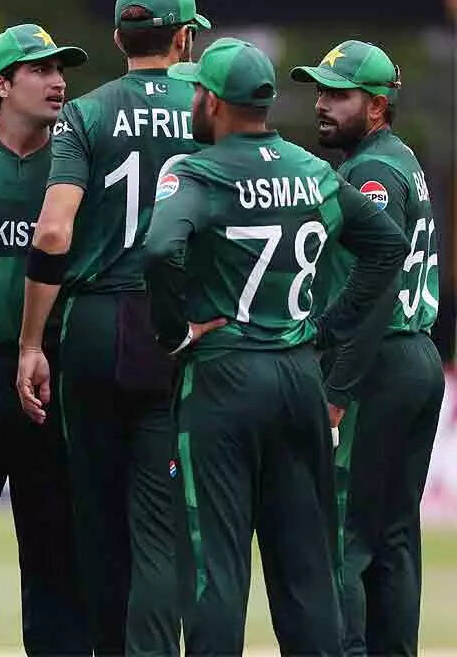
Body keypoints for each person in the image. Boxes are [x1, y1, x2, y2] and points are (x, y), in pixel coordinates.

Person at [143, 37, 408, 655]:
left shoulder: (198, 170)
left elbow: (159, 248)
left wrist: (174, 332)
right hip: (299, 378)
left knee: (215, 569)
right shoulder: (312, 171)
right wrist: (327, 328)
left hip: (223, 376)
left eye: (196, 92)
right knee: (308, 571)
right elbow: (386, 247)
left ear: (212, 101)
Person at [15, 0, 208, 655]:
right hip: (174, 324)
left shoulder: (85, 113)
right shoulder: (208, 106)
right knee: (158, 526)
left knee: (96, 520)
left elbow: (52, 232)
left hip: (94, 322)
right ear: (183, 39)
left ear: (120, 39)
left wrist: (31, 343)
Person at [292, 40, 443, 656]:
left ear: (377, 106)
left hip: (375, 362)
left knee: (345, 534)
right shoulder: (401, 158)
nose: (322, 104)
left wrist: (336, 389)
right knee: (395, 538)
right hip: (415, 357)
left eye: (339, 95)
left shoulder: (371, 174)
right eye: (320, 92)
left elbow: (375, 290)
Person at [0, 23, 90, 654]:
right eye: (40, 70)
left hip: (52, 371)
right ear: (1, 84)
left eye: (60, 69)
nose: (58, 81)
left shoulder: (77, 160)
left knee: (55, 547)